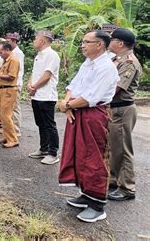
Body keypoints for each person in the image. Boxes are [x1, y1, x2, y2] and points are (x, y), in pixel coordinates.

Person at [59, 30, 119, 223]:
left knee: (94, 157)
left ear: (99, 45)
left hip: (93, 115)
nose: (82, 45)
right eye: (83, 41)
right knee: (79, 154)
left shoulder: (106, 68)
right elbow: (73, 85)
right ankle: (86, 194)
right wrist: (66, 103)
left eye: (87, 42)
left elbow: (90, 98)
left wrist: (66, 105)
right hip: (77, 111)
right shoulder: (89, 63)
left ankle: (98, 204)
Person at [107, 28, 142, 201]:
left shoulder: (129, 62)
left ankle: (127, 188)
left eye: (112, 39)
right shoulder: (118, 59)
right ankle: (113, 181)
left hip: (123, 109)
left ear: (120, 43)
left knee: (123, 149)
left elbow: (116, 88)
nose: (109, 42)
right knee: (114, 148)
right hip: (116, 108)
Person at [27, 31, 61, 165]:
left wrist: (34, 86)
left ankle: (53, 153)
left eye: (36, 39)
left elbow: (47, 75)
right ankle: (43, 149)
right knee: (40, 124)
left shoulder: (52, 55)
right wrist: (30, 85)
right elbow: (35, 73)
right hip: (37, 95)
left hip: (47, 96)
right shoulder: (38, 55)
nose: (34, 41)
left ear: (42, 41)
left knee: (49, 125)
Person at [0, 42, 20, 148]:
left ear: (7, 50)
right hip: (2, 90)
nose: (0, 54)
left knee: (6, 116)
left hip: (8, 91)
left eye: (1, 52)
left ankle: (13, 139)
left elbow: (12, 76)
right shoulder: (5, 60)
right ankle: (6, 136)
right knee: (3, 116)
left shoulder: (13, 60)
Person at [5, 32, 24, 136]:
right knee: (9, 108)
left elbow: (19, 71)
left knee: (15, 108)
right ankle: (10, 130)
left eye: (8, 41)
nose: (6, 43)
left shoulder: (18, 53)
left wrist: (16, 84)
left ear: (14, 41)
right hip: (10, 83)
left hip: (15, 83)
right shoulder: (11, 52)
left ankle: (16, 130)